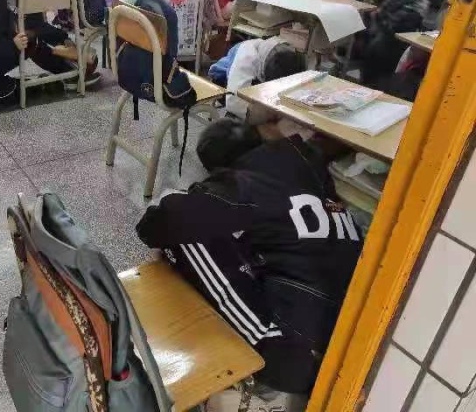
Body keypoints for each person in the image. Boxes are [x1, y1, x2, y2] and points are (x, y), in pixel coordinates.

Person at [137, 118, 364, 403]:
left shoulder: (245, 183)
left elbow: (159, 223)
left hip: (299, 359)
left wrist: (182, 197)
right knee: (264, 237)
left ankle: (259, 353)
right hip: (354, 339)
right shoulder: (303, 165)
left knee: (184, 237)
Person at [352, 0, 428, 87]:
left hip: (394, 46)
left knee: (380, 45)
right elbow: (357, 1)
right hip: (375, 37)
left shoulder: (413, 3)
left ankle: (373, 84)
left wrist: (376, 16)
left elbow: (394, 29)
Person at [225, 36, 306, 122]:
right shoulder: (246, 57)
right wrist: (267, 117)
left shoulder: (289, 53)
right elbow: (233, 102)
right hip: (227, 66)